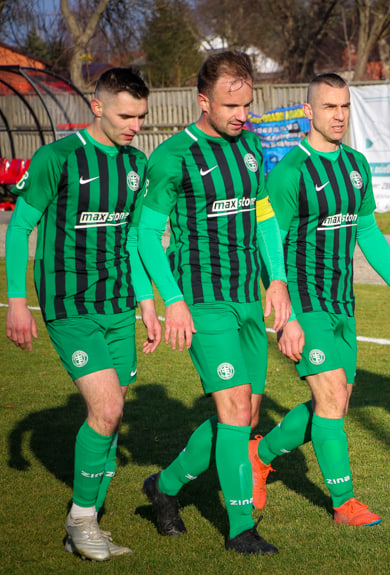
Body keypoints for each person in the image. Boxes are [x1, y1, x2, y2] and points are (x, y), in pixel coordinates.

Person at [248, 73, 390, 527]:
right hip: (304, 302)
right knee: (328, 397)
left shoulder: (356, 165)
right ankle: (344, 503)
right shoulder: (289, 172)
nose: (339, 115)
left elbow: (366, 229)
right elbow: (268, 237)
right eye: (329, 107)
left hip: (342, 302)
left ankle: (259, 455)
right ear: (308, 112)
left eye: (344, 107)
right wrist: (285, 316)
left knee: (337, 401)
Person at [137, 51, 290, 555]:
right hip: (203, 302)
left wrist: (277, 280)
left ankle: (165, 487)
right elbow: (146, 234)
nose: (242, 115)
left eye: (247, 104)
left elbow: (264, 215)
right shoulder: (173, 156)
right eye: (231, 105)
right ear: (203, 101)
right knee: (231, 409)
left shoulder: (249, 145)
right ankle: (241, 528)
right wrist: (173, 301)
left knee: (246, 415)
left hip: (249, 296)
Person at [5, 68, 160, 561]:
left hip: (118, 307)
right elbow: (18, 228)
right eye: (125, 115)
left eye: (140, 116)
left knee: (111, 414)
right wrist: (15, 301)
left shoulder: (137, 163)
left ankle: (91, 519)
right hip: (69, 308)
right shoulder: (58, 158)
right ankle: (81, 521)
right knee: (108, 409)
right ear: (97, 107)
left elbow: (135, 239)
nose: (134, 125)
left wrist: (148, 302)